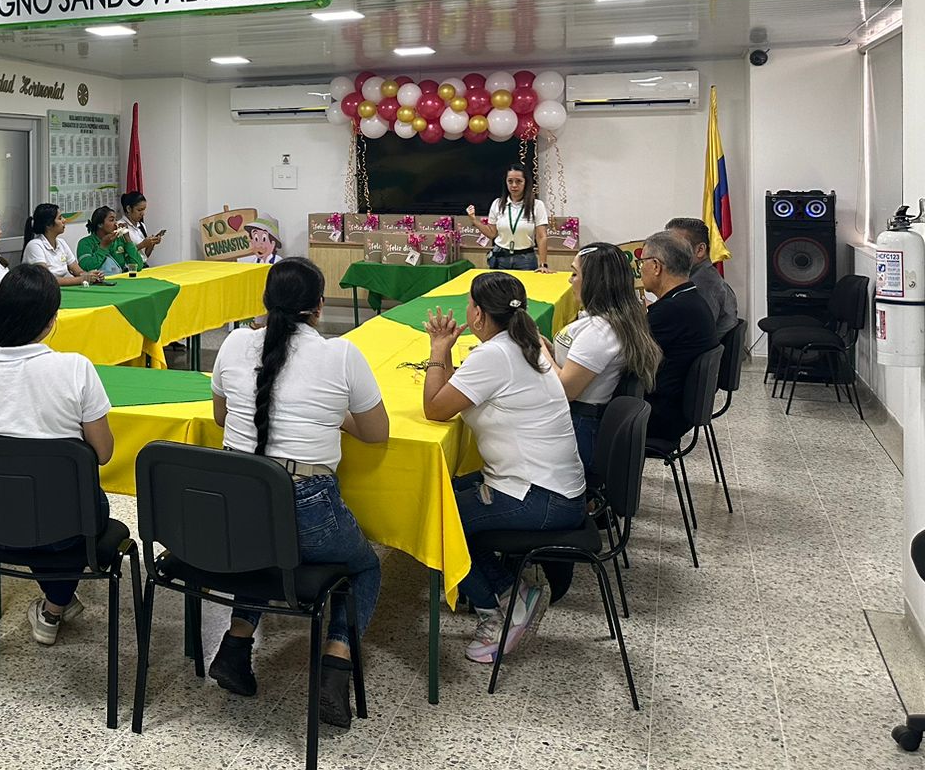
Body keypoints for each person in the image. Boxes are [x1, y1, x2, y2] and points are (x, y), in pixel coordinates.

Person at [207, 258, 390, 729]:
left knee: (261, 554)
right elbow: (376, 433)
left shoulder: (234, 343)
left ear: (265, 301)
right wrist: (333, 416)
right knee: (365, 566)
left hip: (237, 506)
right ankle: (334, 666)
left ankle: (235, 646)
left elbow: (221, 418)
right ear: (319, 306)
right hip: (309, 502)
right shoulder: (340, 354)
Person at [0, 264, 114, 646]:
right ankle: (54, 606)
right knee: (67, 506)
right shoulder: (76, 369)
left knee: (31, 502)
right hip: (68, 526)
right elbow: (103, 452)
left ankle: (56, 603)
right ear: (52, 319)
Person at [422, 271, 585, 664]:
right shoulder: (523, 344)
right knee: (448, 493)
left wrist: (438, 349)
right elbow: (455, 393)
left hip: (539, 496)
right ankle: (513, 591)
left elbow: (435, 408)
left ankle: (495, 614)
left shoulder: (494, 355)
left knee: (436, 519)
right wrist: (447, 356)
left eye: (469, 306)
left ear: (478, 315)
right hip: (553, 488)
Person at [536, 242, 661, 472]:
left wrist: (537, 348)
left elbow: (565, 390)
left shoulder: (600, 331)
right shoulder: (615, 319)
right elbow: (581, 364)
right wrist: (551, 351)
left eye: (575, 274)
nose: (570, 280)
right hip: (579, 423)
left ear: (595, 282)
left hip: (578, 430)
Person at [640, 230, 720, 445]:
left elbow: (625, 359)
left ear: (656, 266)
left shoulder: (671, 311)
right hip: (676, 410)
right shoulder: (690, 298)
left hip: (657, 416)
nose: (640, 270)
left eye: (642, 263)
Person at [666, 216, 739, 341]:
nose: (668, 254)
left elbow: (693, 335)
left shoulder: (700, 286)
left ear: (700, 250)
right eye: (667, 247)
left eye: (677, 248)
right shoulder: (702, 276)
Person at [466, 165, 550, 272]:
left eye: (519, 181)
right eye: (510, 181)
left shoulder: (537, 205)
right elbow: (492, 233)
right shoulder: (497, 203)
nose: (514, 185)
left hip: (525, 259)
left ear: (526, 182)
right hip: (500, 257)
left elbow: (541, 236)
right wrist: (474, 220)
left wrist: (543, 264)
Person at [22, 203, 105, 286]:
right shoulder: (35, 245)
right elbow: (47, 279)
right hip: (45, 291)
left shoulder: (61, 243)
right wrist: (82, 279)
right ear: (48, 225)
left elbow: (77, 271)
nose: (64, 220)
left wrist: (90, 275)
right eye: (60, 218)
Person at [76, 206, 145, 275]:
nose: (116, 223)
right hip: (98, 280)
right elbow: (86, 268)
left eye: (116, 220)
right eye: (112, 220)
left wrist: (128, 239)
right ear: (100, 224)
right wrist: (103, 247)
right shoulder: (85, 243)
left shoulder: (119, 240)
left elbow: (138, 266)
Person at [120, 192, 165, 263]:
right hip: (130, 267)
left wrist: (152, 243)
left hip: (143, 265)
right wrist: (142, 245)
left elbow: (144, 256)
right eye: (139, 210)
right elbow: (121, 256)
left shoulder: (141, 225)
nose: (143, 213)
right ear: (128, 209)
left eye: (144, 209)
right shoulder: (120, 227)